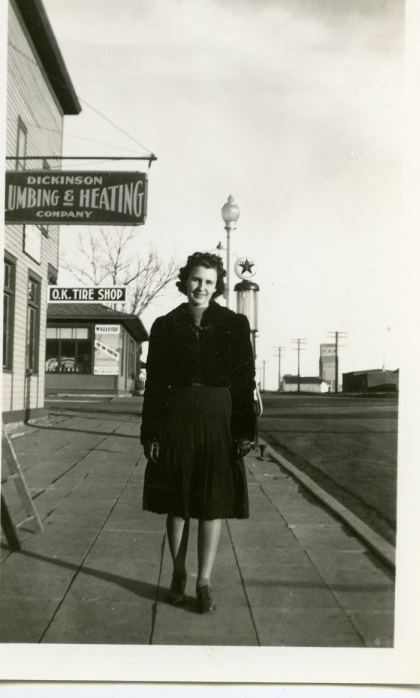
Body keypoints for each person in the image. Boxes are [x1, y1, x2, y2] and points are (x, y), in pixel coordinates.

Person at [140, 251, 256, 613]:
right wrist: (151, 433)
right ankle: (178, 572)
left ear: (217, 285)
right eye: (195, 280)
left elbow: (244, 382)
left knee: (212, 504)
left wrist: (244, 430)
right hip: (177, 419)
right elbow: (155, 384)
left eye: (208, 281)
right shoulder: (165, 325)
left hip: (219, 420)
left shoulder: (234, 324)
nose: (201, 287)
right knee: (178, 504)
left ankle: (203, 581)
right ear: (185, 281)